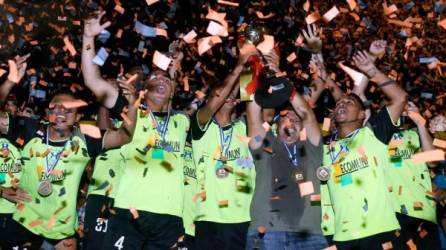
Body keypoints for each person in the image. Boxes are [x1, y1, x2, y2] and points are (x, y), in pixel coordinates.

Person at [82, 11, 190, 249]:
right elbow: (92, 80)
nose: (161, 81)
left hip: (169, 217)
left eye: (167, 80)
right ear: (144, 87)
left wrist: (175, 65)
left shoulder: (181, 122)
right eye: (155, 77)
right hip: (127, 212)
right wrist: (88, 38)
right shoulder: (129, 111)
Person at [0, 85, 137, 250]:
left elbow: (124, 136)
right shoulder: (30, 129)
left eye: (68, 110)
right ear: (47, 112)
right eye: (56, 107)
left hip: (61, 230)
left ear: (78, 116)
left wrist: (133, 104)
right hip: (24, 221)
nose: (61, 113)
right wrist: (9, 82)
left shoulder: (85, 139)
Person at [321, 49, 409, 249]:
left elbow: (400, 98)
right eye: (340, 103)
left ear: (362, 115)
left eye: (349, 102)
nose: (342, 104)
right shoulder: (325, 147)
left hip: (380, 232)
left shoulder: (372, 134)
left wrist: (372, 70)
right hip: (342, 237)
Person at [245, 49, 327, 249]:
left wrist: (282, 80)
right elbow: (252, 112)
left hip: (310, 235)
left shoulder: (312, 147)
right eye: (286, 117)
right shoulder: (266, 145)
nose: (292, 121)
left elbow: (306, 112)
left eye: (296, 119)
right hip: (266, 232)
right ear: (275, 124)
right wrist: (254, 69)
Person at [191, 44, 257, 249]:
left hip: (242, 217)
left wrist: (250, 67)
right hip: (206, 216)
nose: (229, 95)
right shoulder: (200, 126)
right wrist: (239, 65)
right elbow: (213, 103)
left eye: (233, 93)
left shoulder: (245, 128)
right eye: (223, 91)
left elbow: (253, 104)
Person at [385, 102, 440, 249]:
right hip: (392, 216)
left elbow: (433, 162)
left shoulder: (416, 135)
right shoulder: (379, 137)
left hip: (422, 213)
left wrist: (420, 123)